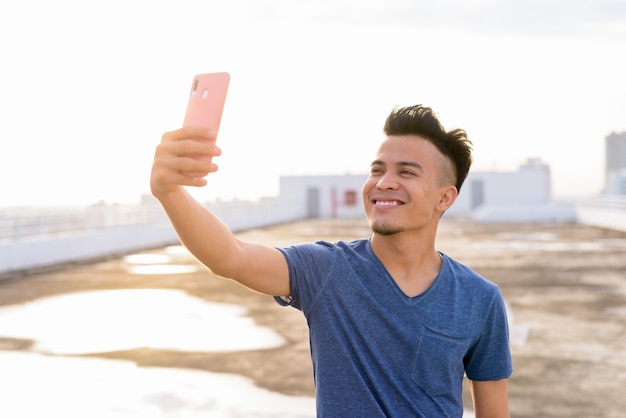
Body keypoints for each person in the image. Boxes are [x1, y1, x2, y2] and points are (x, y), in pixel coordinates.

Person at [150, 104, 513, 417]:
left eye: (406, 172)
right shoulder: (327, 270)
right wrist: (169, 192)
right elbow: (231, 258)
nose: (384, 182)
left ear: (444, 198)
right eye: (376, 170)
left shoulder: (479, 298)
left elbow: (494, 413)